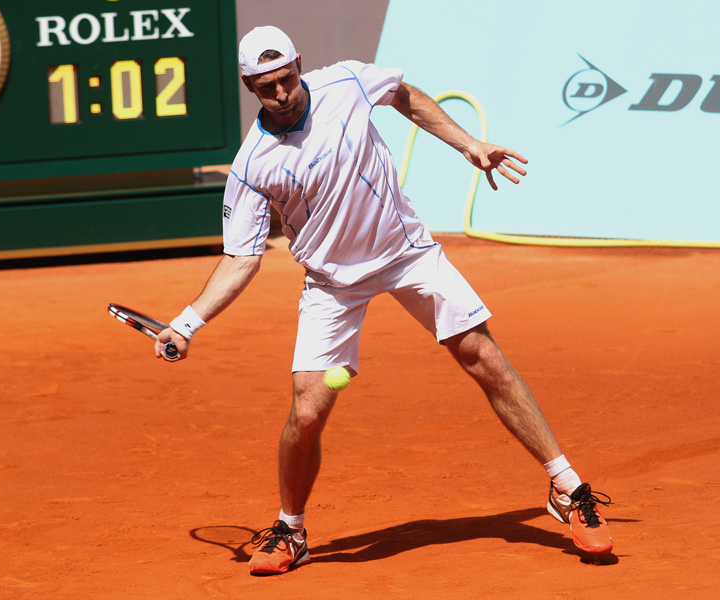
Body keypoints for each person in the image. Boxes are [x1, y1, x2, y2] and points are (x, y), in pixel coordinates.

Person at [157, 25, 613, 575]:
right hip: (332, 282)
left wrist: (467, 143)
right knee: (307, 412)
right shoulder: (253, 164)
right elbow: (241, 259)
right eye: (266, 86)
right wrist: (187, 322)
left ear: (299, 63)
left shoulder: (346, 81)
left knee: (484, 357)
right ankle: (291, 530)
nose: (281, 93)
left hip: (406, 253)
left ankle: (568, 488)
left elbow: (404, 95)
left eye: (286, 78)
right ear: (248, 85)